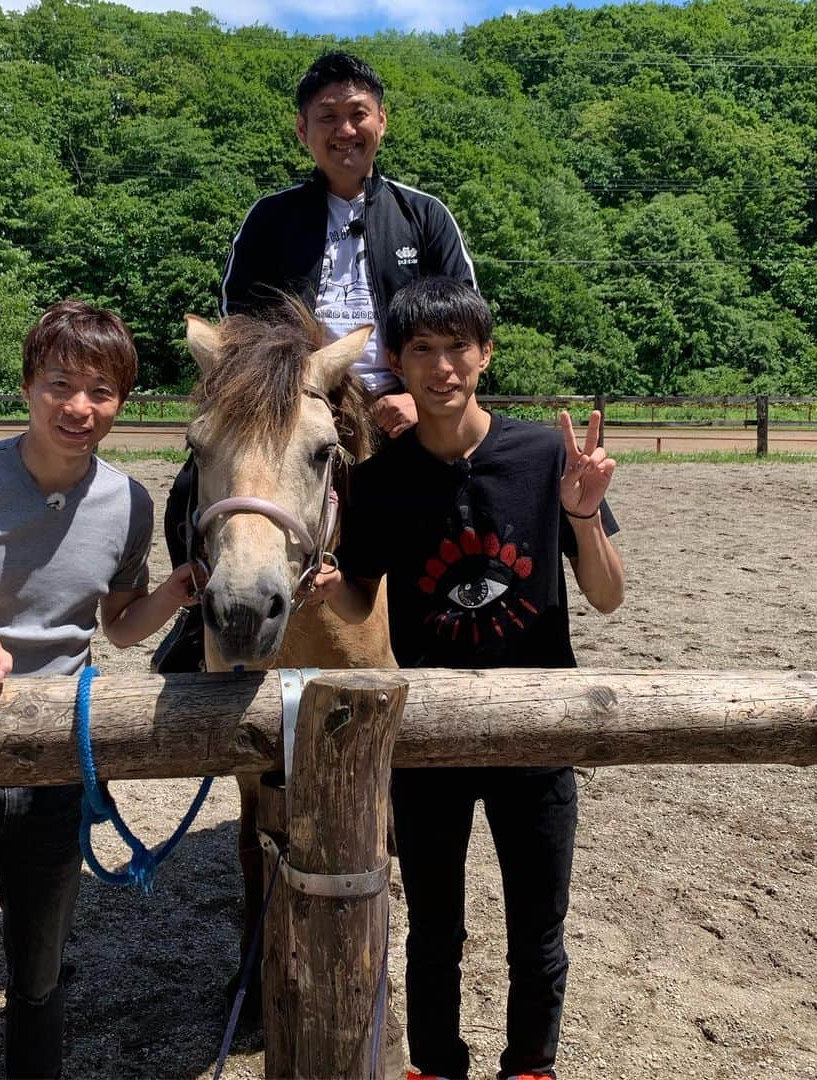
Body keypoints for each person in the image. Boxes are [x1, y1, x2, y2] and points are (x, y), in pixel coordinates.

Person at [315, 277, 625, 1080]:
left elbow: (607, 595)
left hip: (537, 730)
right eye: (422, 349)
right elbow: (358, 594)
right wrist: (327, 583)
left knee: (538, 925)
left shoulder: (544, 456)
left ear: (485, 355)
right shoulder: (379, 482)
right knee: (436, 929)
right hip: (431, 738)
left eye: (458, 347)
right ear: (396, 362)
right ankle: (437, 1066)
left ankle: (531, 1064)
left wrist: (584, 515)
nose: (442, 365)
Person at [0, 300, 196, 1078]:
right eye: (60, 384)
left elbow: (119, 626)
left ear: (122, 402)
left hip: (57, 767)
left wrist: (180, 591)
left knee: (41, 982)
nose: (79, 407)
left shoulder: (128, 503)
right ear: (28, 385)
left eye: (101, 391)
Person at [155, 48, 478, 671]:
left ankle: (455, 627)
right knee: (190, 488)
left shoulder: (425, 215)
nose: (344, 129)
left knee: (471, 494)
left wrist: (418, 393)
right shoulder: (270, 218)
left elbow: (461, 316)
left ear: (382, 121)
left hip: (400, 405)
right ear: (302, 130)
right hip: (292, 396)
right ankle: (200, 624)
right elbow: (238, 320)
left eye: (357, 113)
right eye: (326, 116)